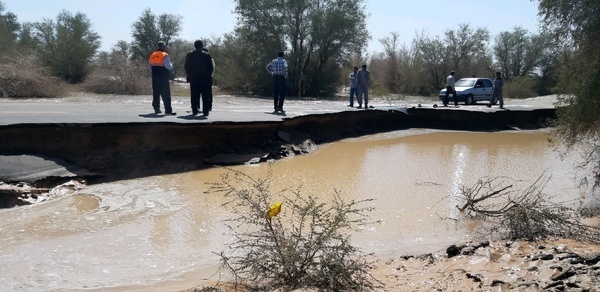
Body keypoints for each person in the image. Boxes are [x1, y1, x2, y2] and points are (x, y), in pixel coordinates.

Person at [185, 40, 214, 116]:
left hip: (193, 79)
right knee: (205, 96)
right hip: (204, 79)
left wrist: (189, 75)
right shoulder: (207, 55)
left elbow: (186, 66)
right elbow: (211, 67)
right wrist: (208, 75)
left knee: (194, 96)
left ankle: (194, 111)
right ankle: (205, 112)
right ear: (202, 46)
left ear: (194, 46)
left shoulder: (189, 55)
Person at [148, 41, 176, 115]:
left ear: (158, 46)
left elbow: (149, 67)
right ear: (163, 47)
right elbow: (167, 66)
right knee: (166, 93)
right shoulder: (165, 55)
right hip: (163, 76)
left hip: (154, 76)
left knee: (156, 93)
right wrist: (171, 65)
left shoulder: (152, 55)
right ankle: (168, 110)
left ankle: (156, 109)